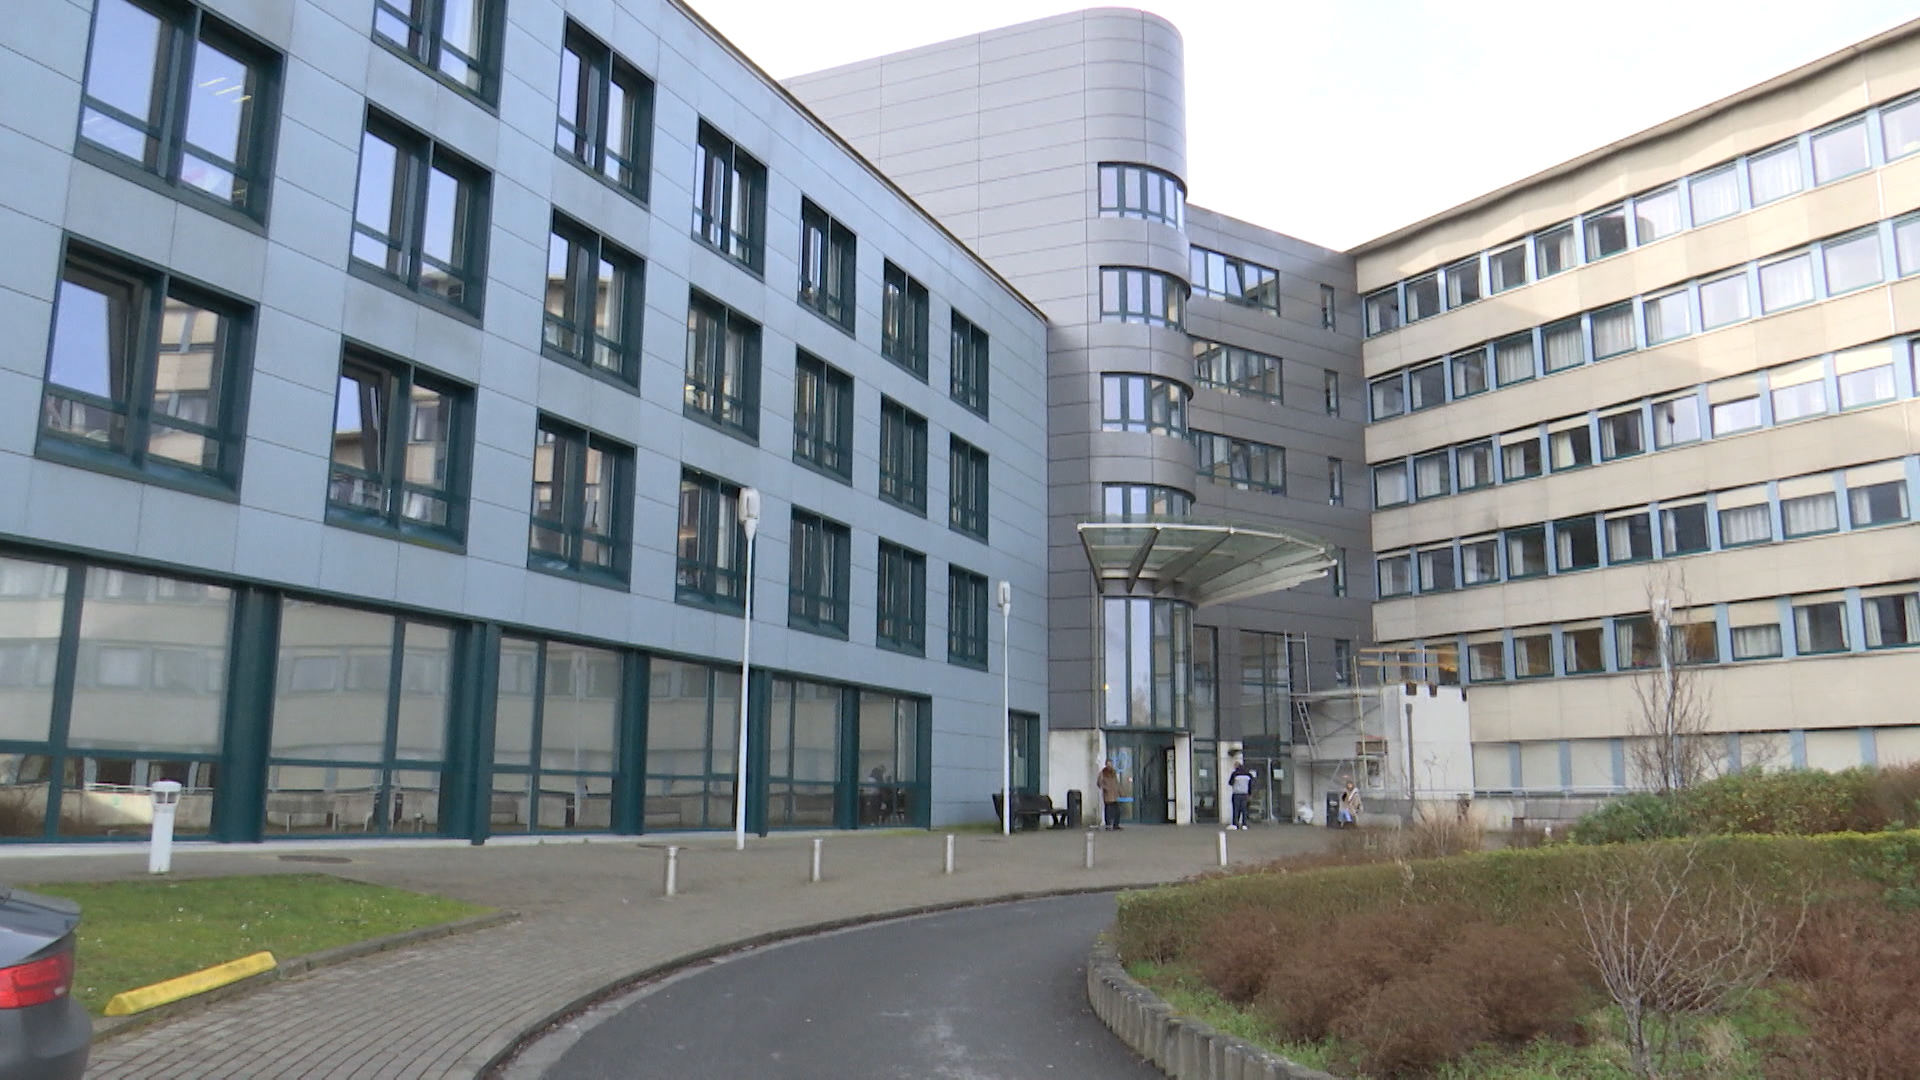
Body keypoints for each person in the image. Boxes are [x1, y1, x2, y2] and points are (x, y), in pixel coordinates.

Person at [1227, 755, 1255, 830]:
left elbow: (1230, 783)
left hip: (1236, 793)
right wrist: (1249, 794)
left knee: (1236, 809)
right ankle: (1244, 824)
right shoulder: (1248, 775)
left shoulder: (1235, 774)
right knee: (1244, 810)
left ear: (1236, 766)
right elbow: (1250, 785)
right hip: (1245, 794)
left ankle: (1235, 824)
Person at [1096, 759, 1122, 830]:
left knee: (1117, 811)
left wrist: (1120, 792)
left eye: (1111, 764)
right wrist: (1105, 787)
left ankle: (1116, 825)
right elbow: (1099, 783)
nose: (1110, 766)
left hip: (1114, 794)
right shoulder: (1102, 773)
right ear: (1106, 765)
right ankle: (1108, 825)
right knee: (1108, 810)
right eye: (1108, 764)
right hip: (1108, 794)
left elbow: (1117, 782)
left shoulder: (1114, 773)